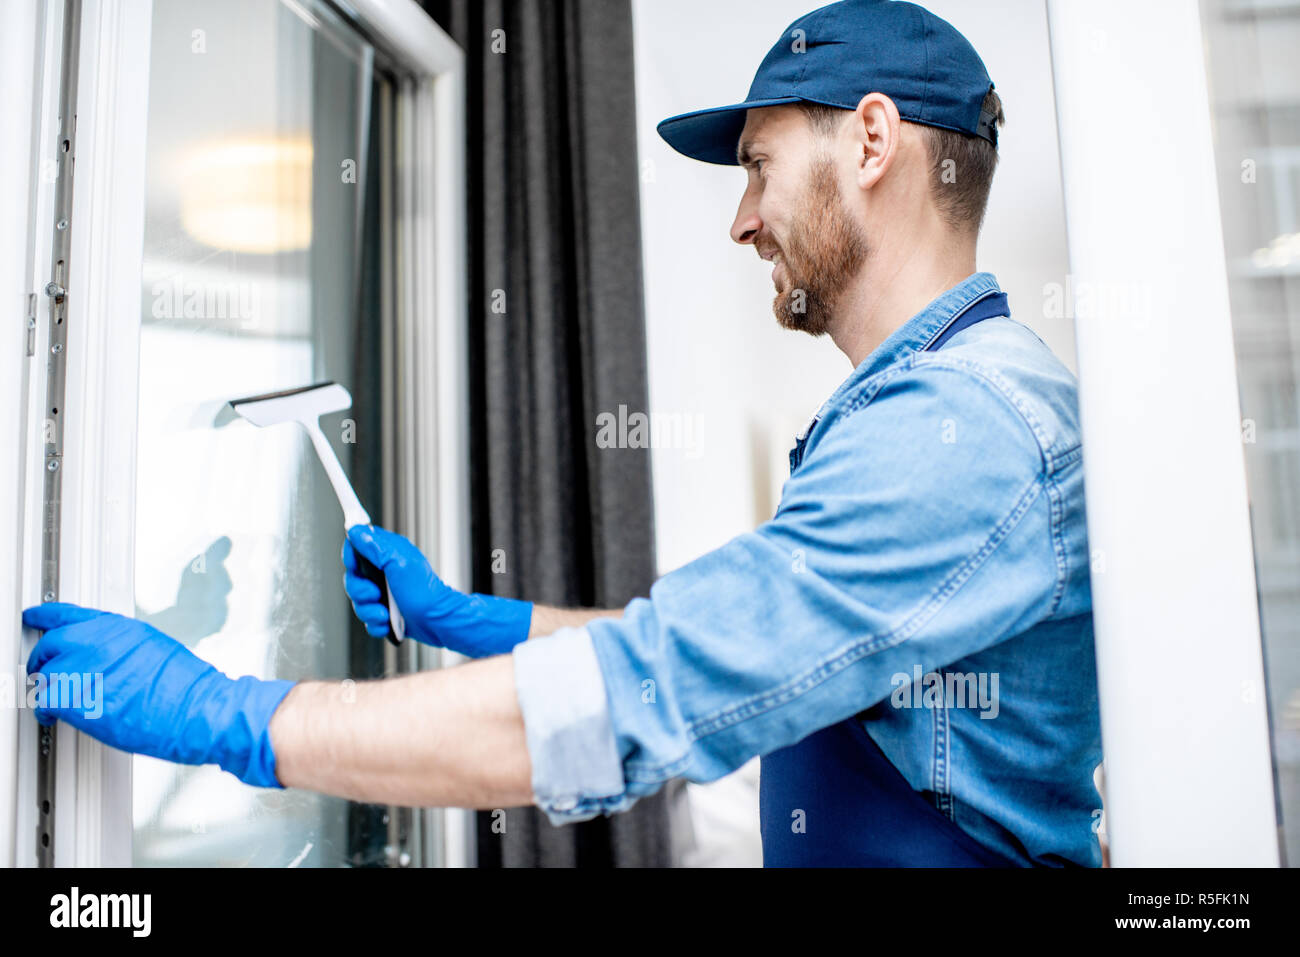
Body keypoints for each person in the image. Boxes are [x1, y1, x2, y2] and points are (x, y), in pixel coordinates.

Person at [23, 0, 1102, 867]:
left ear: (870, 139)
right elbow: (734, 649)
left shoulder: (959, 429)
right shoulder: (929, 407)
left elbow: (646, 693)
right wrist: (472, 621)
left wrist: (230, 717)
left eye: (757, 165)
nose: (741, 218)